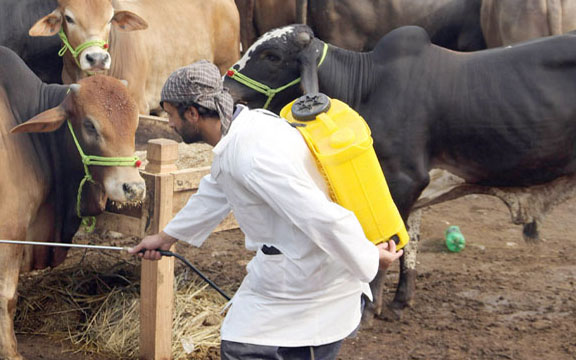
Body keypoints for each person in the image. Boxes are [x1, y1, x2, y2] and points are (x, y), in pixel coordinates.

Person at [128, 60, 403, 360]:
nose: (168, 124)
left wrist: (370, 259)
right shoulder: (245, 128)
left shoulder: (252, 158)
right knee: (238, 345)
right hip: (289, 275)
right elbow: (217, 188)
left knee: (241, 349)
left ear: (192, 113)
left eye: (170, 115)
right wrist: (167, 237)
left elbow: (320, 216)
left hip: (313, 287)